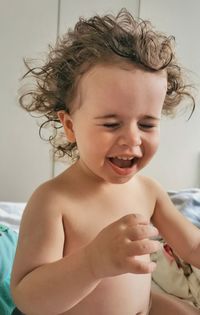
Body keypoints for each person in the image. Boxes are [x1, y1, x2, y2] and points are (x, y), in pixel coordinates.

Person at [10, 8, 200, 315]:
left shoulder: (149, 191)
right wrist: (93, 262)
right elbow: (29, 298)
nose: (133, 139)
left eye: (147, 124)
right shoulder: (53, 202)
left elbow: (192, 247)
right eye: (112, 124)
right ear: (70, 127)